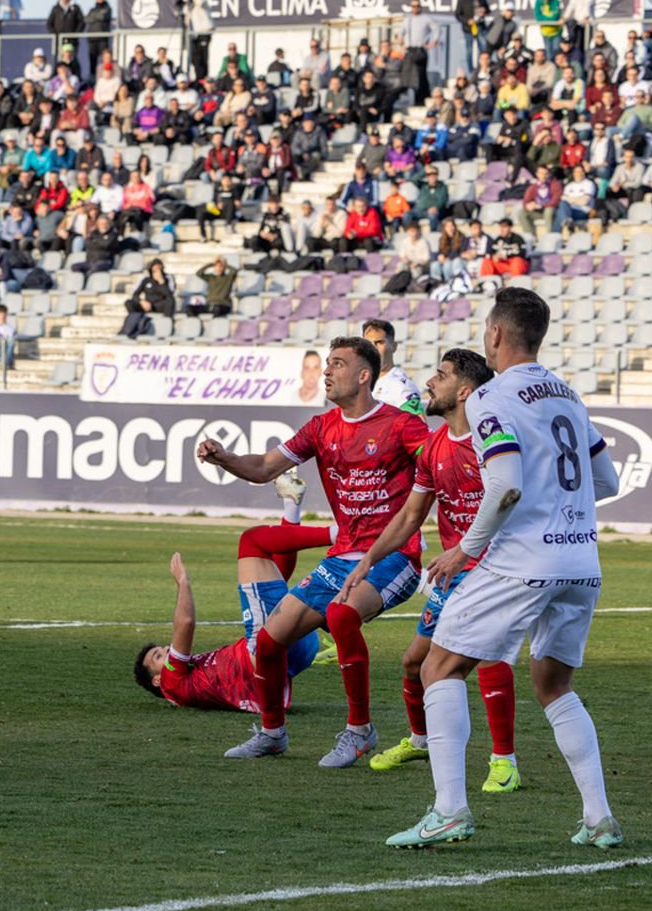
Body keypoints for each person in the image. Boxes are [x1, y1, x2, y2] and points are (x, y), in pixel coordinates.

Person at [383, 289, 622, 849]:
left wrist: (467, 548)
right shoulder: (568, 395)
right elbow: (606, 482)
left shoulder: (492, 396)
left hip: (524, 558)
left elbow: (507, 482)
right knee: (553, 682)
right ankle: (599, 817)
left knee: (437, 668)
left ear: (494, 335)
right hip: (581, 559)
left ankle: (449, 811)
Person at [201, 336, 429, 766]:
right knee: (268, 642)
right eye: (327, 363)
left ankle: (360, 731)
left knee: (342, 616)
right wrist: (224, 458)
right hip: (340, 557)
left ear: (364, 376)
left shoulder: (401, 425)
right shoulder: (321, 428)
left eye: (338, 364)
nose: (327, 371)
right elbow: (265, 468)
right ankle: (272, 734)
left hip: (393, 557)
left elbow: (440, 464)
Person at [336, 349, 519, 789]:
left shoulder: (491, 442)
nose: (429, 383)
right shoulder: (434, 446)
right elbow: (408, 517)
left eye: (441, 375)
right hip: (451, 573)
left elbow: (513, 496)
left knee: (490, 657)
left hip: (496, 570)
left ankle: (504, 761)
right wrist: (368, 559)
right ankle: (420, 740)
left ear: (464, 391)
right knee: (413, 663)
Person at [135, 513, 332, 713]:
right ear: (157, 680)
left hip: (290, 655)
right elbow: (185, 622)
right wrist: (182, 582)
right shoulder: (171, 682)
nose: (166, 648)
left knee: (273, 580)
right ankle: (340, 535)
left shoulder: (191, 679)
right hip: (263, 659)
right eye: (158, 656)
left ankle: (292, 506)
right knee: (251, 542)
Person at [361, 319, 423, 416]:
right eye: (368, 344)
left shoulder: (401, 388)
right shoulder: (362, 381)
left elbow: (421, 428)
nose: (373, 349)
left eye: (379, 342)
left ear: (393, 346)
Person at [120, 259, 174, 338]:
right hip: (147, 305)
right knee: (129, 302)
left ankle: (167, 324)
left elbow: (169, 294)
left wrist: (161, 282)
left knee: (170, 301)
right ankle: (136, 321)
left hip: (159, 305)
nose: (157, 271)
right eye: (154, 269)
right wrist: (141, 301)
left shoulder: (168, 278)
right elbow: (135, 294)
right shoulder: (146, 279)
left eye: (159, 268)